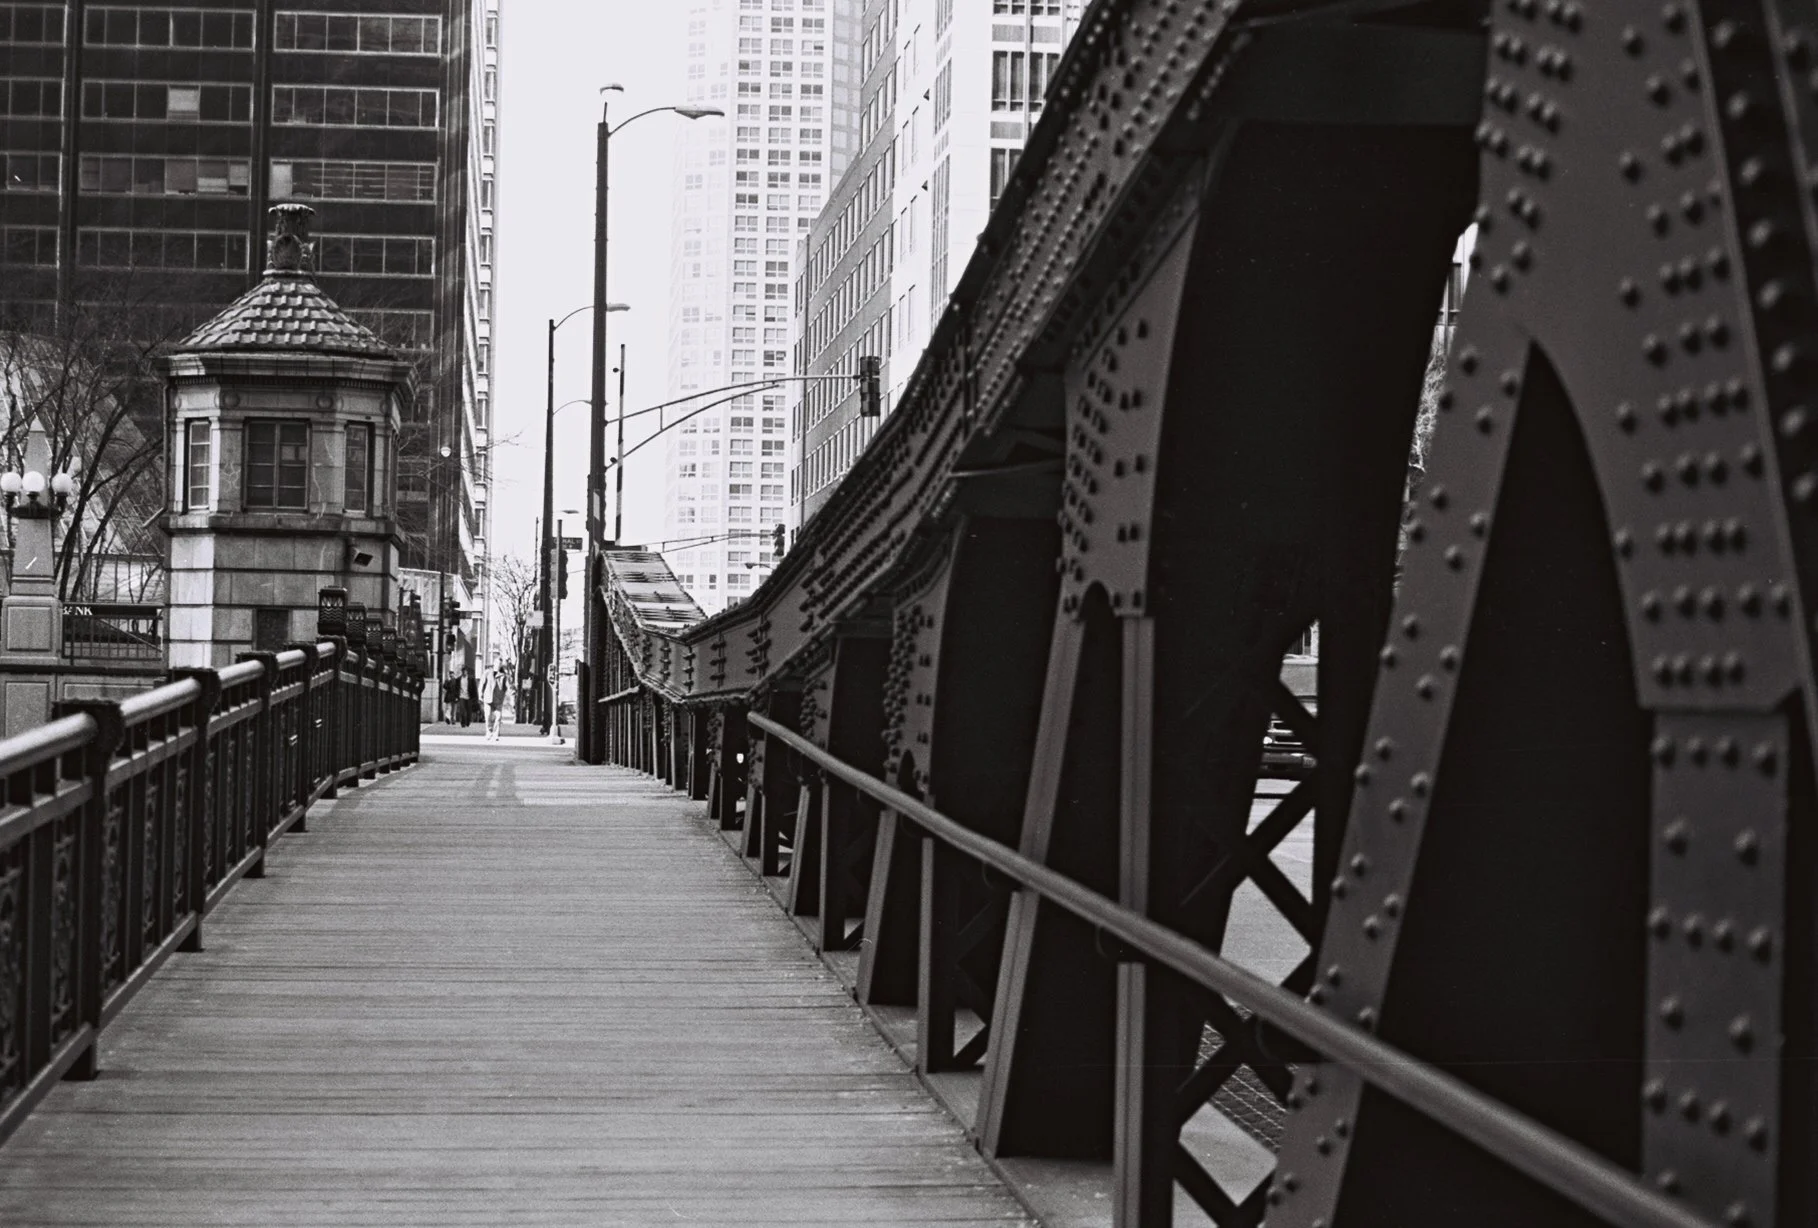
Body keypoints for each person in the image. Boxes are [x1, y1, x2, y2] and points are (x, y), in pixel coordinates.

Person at [481, 656, 512, 742]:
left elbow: (508, 686)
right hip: (488, 697)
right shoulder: (487, 673)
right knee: (487, 716)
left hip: (498, 699)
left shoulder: (503, 675)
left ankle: (495, 734)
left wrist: (511, 693)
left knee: (498, 717)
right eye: (497, 663)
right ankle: (488, 731)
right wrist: (480, 693)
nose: (498, 665)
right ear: (494, 663)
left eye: (500, 664)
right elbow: (482, 684)